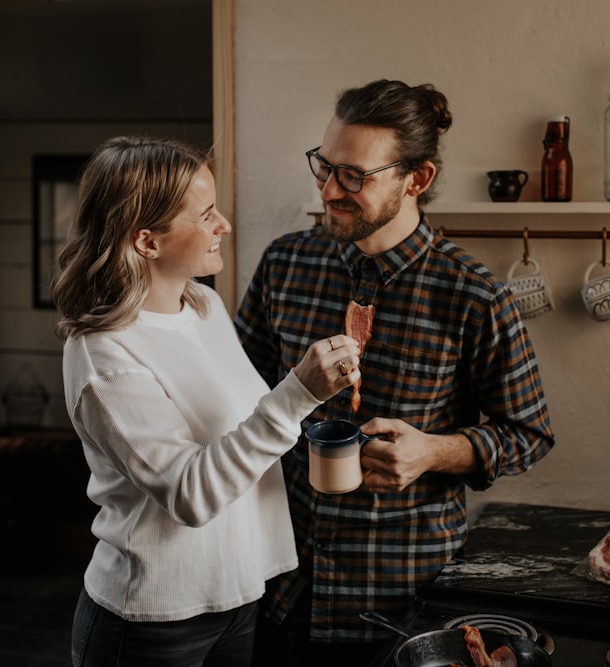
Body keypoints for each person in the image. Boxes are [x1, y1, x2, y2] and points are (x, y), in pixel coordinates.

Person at [235, 79, 555, 666]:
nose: (330, 189)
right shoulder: (284, 263)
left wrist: (435, 452)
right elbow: (233, 396)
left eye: (354, 175)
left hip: (399, 607)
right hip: (278, 586)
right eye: (324, 166)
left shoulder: (475, 296)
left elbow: (529, 434)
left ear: (418, 178)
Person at [52, 135, 362, 667]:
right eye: (207, 214)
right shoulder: (103, 355)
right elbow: (190, 494)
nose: (224, 225)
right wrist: (298, 394)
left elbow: (237, 432)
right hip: (152, 621)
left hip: (238, 597)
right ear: (147, 241)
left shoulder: (204, 306)